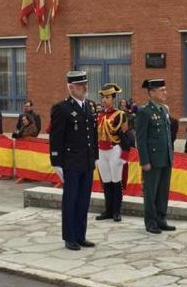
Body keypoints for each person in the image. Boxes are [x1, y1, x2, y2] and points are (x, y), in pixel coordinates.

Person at [49, 71, 98, 251]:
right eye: (80, 85)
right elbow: (56, 137)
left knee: (84, 200)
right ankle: (69, 237)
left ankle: (80, 235)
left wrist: (95, 156)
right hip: (70, 162)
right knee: (70, 200)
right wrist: (56, 161)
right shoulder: (62, 108)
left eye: (85, 84)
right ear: (70, 88)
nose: (84, 88)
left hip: (86, 160)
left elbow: (92, 134)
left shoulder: (90, 106)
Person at [136, 78, 175, 234]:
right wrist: (144, 161)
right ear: (151, 92)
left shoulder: (164, 110)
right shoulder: (145, 112)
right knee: (151, 192)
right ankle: (151, 221)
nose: (165, 92)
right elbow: (140, 139)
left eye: (165, 89)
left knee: (163, 191)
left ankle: (161, 219)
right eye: (161, 90)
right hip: (152, 160)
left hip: (165, 157)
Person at [95, 83, 132, 222]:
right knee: (106, 181)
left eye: (108, 97)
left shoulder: (120, 114)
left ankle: (116, 211)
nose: (105, 100)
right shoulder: (99, 115)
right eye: (103, 97)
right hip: (101, 151)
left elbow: (126, 135)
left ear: (113, 98)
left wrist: (125, 155)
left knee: (116, 181)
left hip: (115, 150)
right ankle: (108, 210)